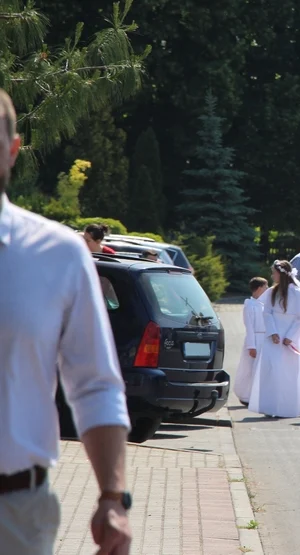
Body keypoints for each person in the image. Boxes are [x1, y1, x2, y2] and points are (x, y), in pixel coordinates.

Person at [0, 88, 132, 554]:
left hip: (14, 515)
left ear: (12, 150)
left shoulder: (56, 254)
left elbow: (95, 383)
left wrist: (113, 498)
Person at [249, 260, 300, 418]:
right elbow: (267, 312)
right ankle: (270, 407)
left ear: (282, 274)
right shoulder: (272, 291)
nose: (272, 275)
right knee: (271, 370)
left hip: (289, 336)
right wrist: (272, 332)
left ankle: (286, 407)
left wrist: (290, 337)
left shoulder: (297, 293)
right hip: (274, 336)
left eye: (274, 272)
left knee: (287, 373)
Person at [233, 277, 269, 406]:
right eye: (265, 287)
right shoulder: (250, 304)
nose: (267, 289)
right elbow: (249, 326)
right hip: (255, 339)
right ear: (259, 288)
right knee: (250, 369)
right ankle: (248, 395)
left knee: (261, 369)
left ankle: (260, 395)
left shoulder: (265, 304)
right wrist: (251, 346)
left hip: (265, 339)